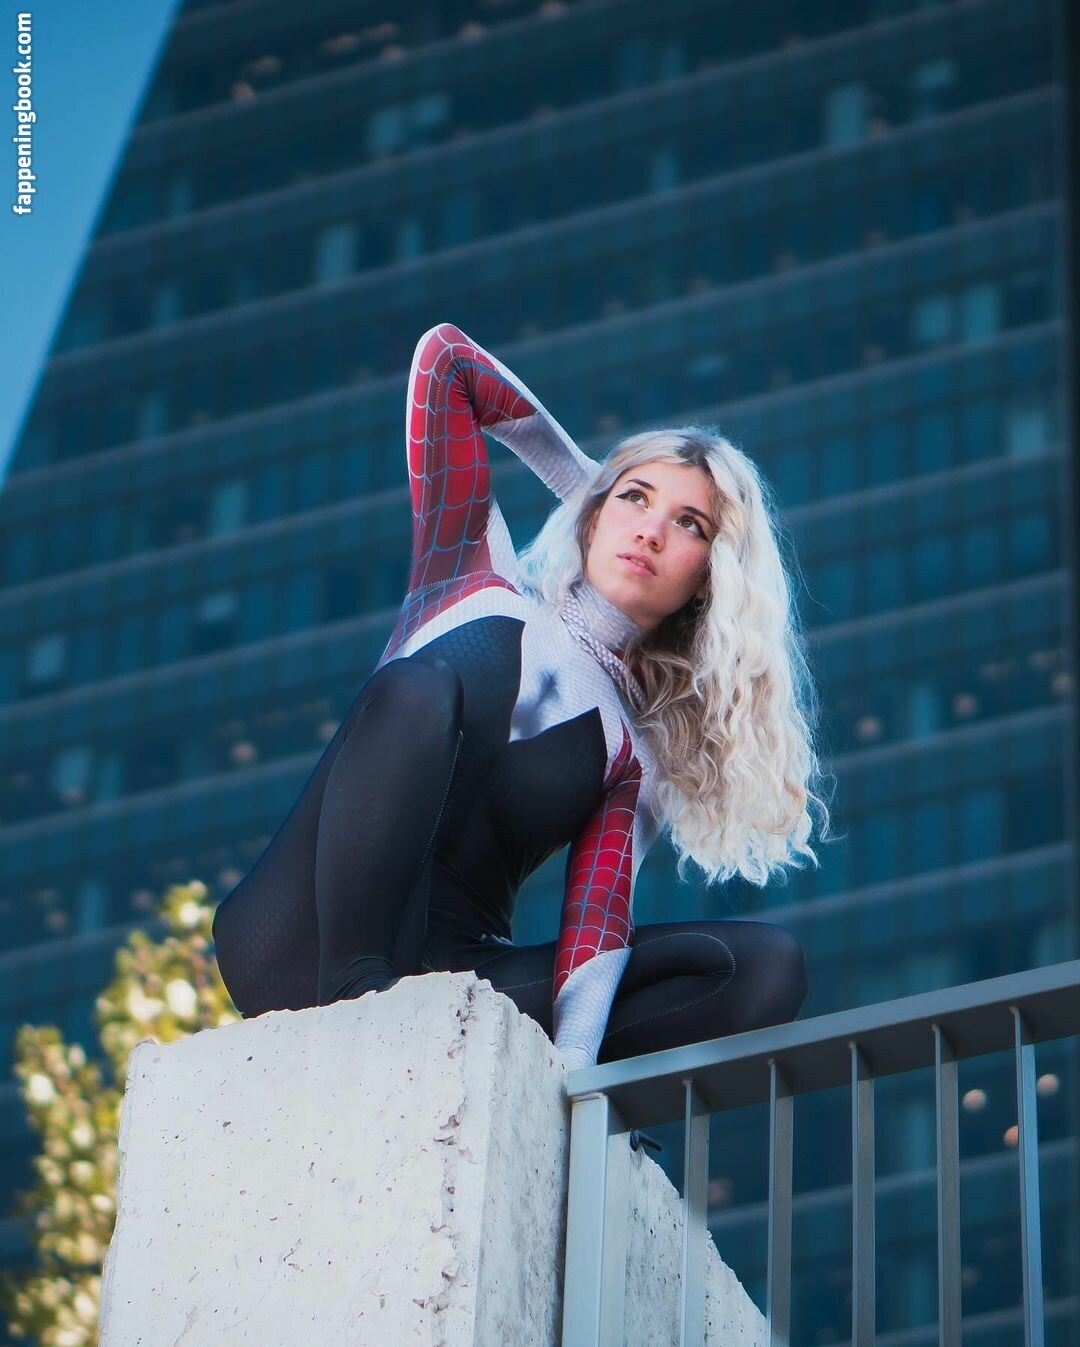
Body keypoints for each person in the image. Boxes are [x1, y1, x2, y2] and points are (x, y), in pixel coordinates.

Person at [212, 322, 832, 1070]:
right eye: (636, 498)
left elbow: (594, 937)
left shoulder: (634, 756)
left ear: (710, 576)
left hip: (449, 987)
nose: (651, 532)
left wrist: (569, 1083)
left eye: (689, 525)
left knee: (764, 969)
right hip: (297, 943)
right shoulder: (470, 575)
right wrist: (590, 486)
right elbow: (448, 364)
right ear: (596, 514)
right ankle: (360, 1001)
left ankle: (448, 1044)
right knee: (418, 689)